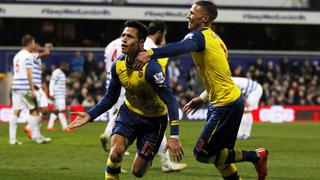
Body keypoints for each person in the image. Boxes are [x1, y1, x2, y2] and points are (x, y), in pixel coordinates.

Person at [134, 1, 268, 179]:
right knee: (220, 157)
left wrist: (150, 53)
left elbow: (180, 48)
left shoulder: (198, 36)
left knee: (202, 153)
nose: (187, 16)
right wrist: (203, 97)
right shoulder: (217, 40)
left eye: (191, 12)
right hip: (223, 101)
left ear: (204, 18)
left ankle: (255, 155)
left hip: (225, 105)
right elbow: (220, 75)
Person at [69, 20, 184, 180]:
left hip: (154, 121)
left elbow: (171, 100)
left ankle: (147, 158)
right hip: (129, 113)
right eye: (123, 35)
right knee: (115, 153)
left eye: (129, 36)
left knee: (138, 171)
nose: (123, 39)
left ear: (141, 42)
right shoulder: (118, 65)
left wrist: (174, 136)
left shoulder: (152, 68)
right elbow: (111, 97)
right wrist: (90, 115)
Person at [10, 35, 51, 144]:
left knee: (16, 111)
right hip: (26, 86)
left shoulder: (17, 55)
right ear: (30, 44)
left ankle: (12, 139)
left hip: (15, 86)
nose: (35, 44)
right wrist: (32, 89)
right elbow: (29, 71)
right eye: (34, 43)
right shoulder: (29, 56)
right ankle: (36, 136)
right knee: (35, 110)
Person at [47, 61, 73, 132]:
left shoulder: (62, 74)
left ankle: (63, 127)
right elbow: (52, 83)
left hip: (61, 94)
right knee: (60, 110)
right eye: (66, 66)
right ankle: (60, 127)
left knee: (58, 110)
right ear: (63, 65)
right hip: (57, 94)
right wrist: (51, 93)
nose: (67, 68)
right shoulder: (56, 72)